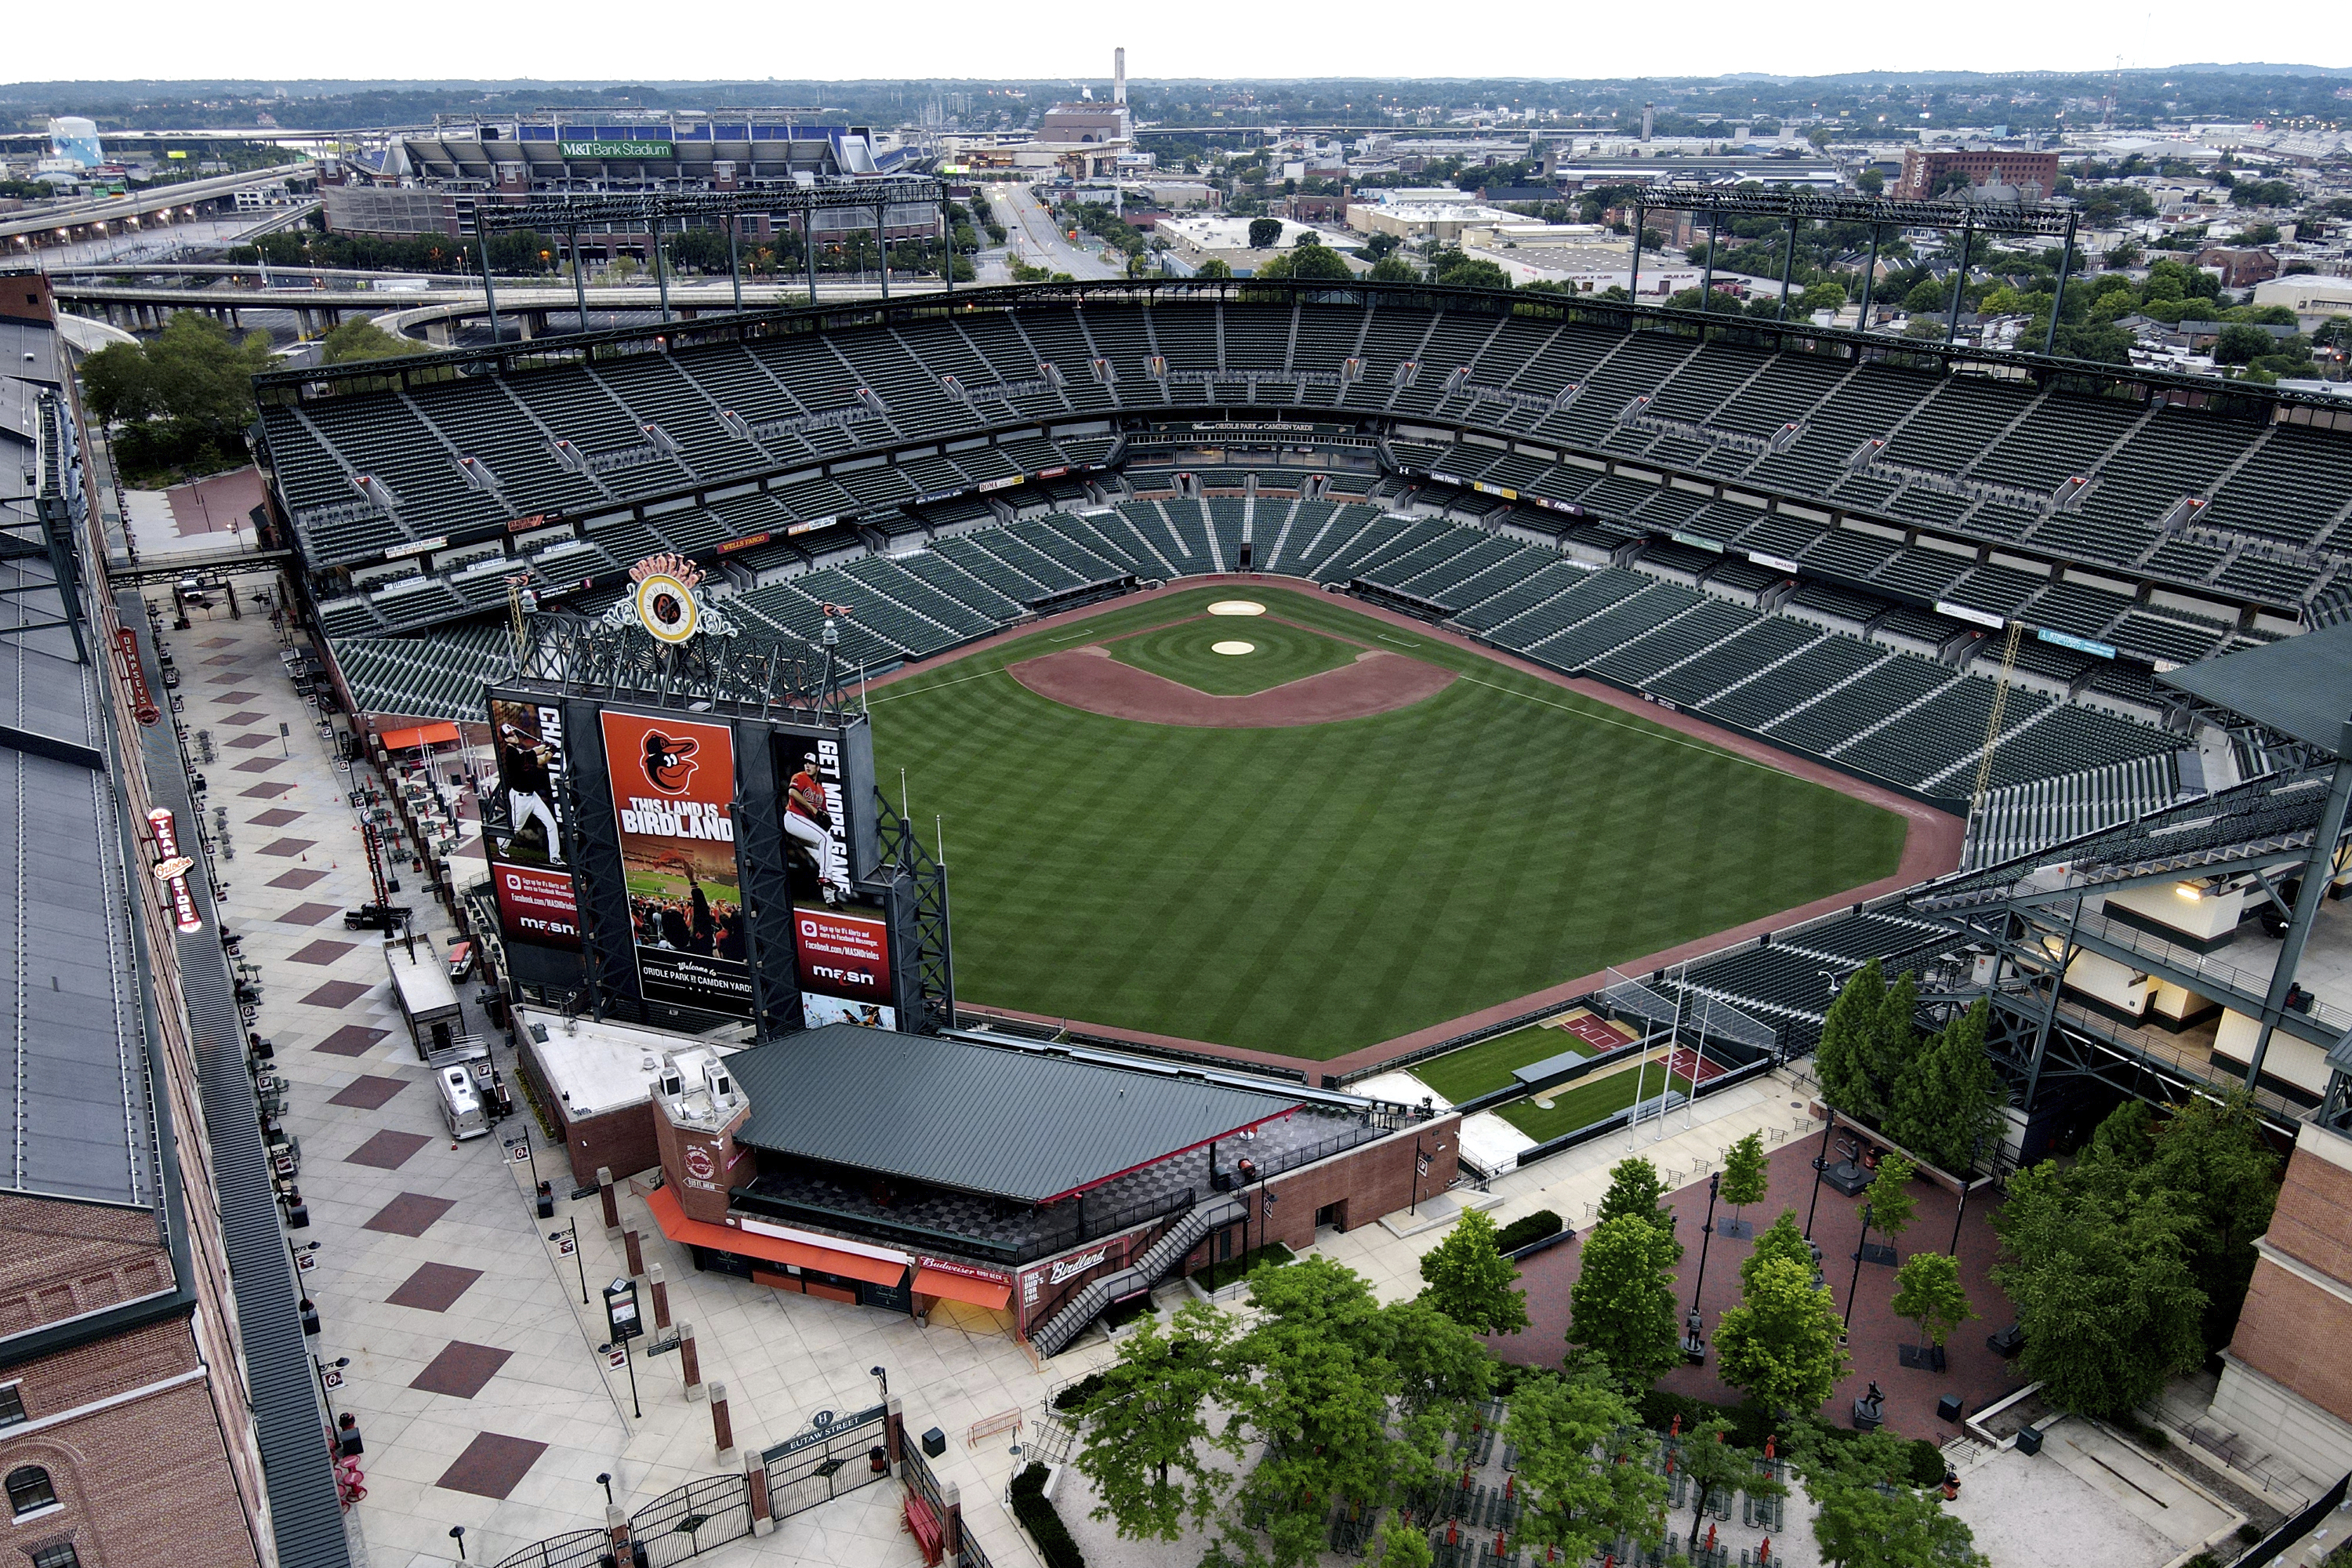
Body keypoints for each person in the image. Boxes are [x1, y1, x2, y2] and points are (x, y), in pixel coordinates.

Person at [782, 752, 847, 907]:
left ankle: (830, 900)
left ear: (818, 767)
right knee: (826, 839)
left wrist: (825, 816)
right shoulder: (800, 777)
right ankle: (824, 876)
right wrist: (814, 811)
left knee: (823, 857)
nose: (807, 766)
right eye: (806, 763)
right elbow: (792, 792)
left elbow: (824, 812)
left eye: (811, 763)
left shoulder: (820, 790)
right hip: (793, 818)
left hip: (804, 827)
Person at [496, 720, 563, 866]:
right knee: (516, 827)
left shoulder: (519, 751)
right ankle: (501, 844)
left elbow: (540, 758)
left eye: (513, 733)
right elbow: (537, 755)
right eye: (510, 735)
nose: (513, 736)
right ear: (506, 739)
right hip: (520, 798)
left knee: (552, 824)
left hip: (533, 796)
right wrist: (547, 746)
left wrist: (550, 750)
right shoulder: (511, 754)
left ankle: (555, 857)